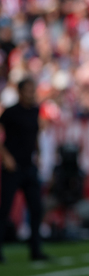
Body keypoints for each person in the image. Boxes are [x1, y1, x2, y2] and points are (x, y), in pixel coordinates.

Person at [0, 78, 49, 263]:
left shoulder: (35, 111)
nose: (31, 94)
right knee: (5, 209)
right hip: (13, 168)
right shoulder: (11, 112)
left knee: (36, 208)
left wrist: (38, 153)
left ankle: (35, 250)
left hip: (29, 166)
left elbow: (34, 135)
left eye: (32, 90)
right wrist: (6, 157)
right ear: (20, 92)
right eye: (28, 90)